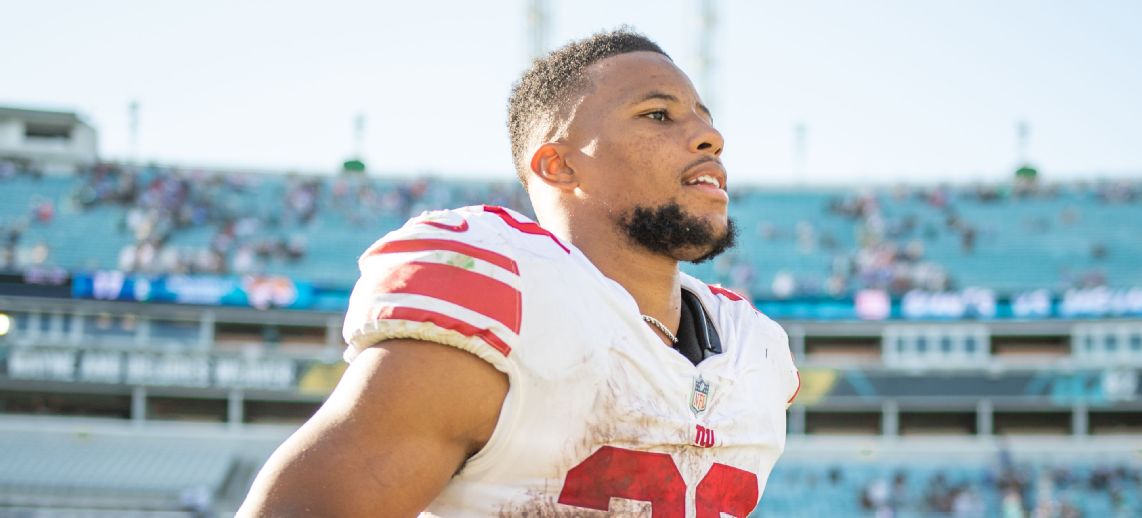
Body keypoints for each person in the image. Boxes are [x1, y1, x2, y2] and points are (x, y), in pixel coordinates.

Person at [238, 29, 799, 517]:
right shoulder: (508, 301)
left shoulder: (756, 349)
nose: (709, 137)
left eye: (706, 118)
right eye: (658, 114)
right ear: (559, 164)